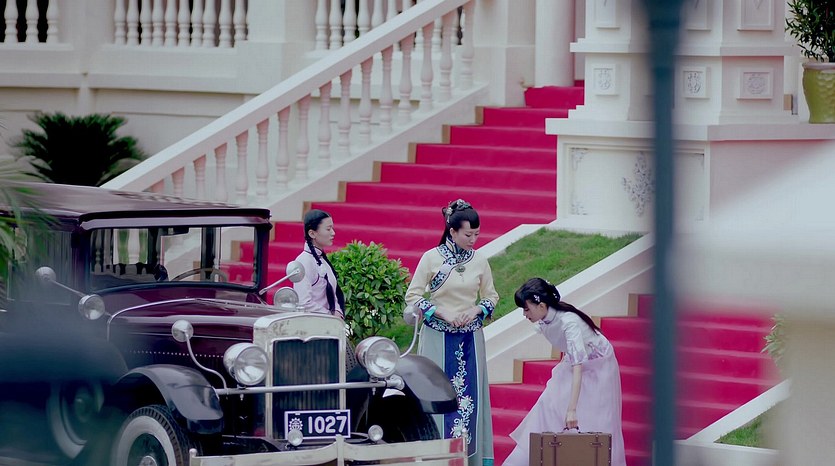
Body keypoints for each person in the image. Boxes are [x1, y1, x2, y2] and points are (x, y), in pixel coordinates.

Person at [405, 199, 498, 466]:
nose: (473, 240)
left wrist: (477, 310)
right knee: (435, 396)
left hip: (470, 339)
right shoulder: (431, 258)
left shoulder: (480, 260)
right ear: (452, 231)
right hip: (437, 337)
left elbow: (491, 296)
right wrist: (441, 312)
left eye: (477, 234)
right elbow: (413, 296)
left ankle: (472, 458)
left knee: (471, 399)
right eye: (468, 235)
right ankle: (435, 458)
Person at [503, 277, 626, 466]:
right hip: (573, 361)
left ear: (541, 305)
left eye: (526, 309)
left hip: (598, 367)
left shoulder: (569, 322)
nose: (524, 314)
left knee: (595, 420)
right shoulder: (545, 318)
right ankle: (523, 457)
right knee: (547, 403)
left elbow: (578, 365)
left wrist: (572, 409)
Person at [293, 209, 345, 318]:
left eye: (332, 228)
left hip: (329, 322)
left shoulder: (322, 259)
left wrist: (337, 311)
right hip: (313, 323)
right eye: (328, 229)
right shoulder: (303, 262)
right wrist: (329, 315)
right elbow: (303, 303)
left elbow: (332, 294)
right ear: (312, 233)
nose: (333, 233)